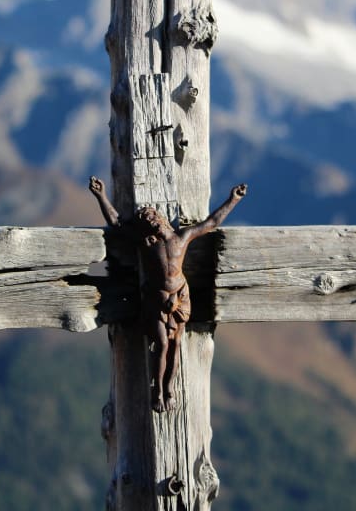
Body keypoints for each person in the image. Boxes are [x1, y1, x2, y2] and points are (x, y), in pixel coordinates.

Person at [89, 176, 247, 412]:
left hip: (180, 297)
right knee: (161, 344)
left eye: (154, 217)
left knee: (175, 344)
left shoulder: (181, 238)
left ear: (162, 220)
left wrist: (232, 200)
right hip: (156, 299)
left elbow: (211, 222)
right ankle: (157, 391)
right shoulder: (147, 244)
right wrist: (101, 195)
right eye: (147, 220)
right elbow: (117, 223)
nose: (153, 221)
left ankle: (169, 388)